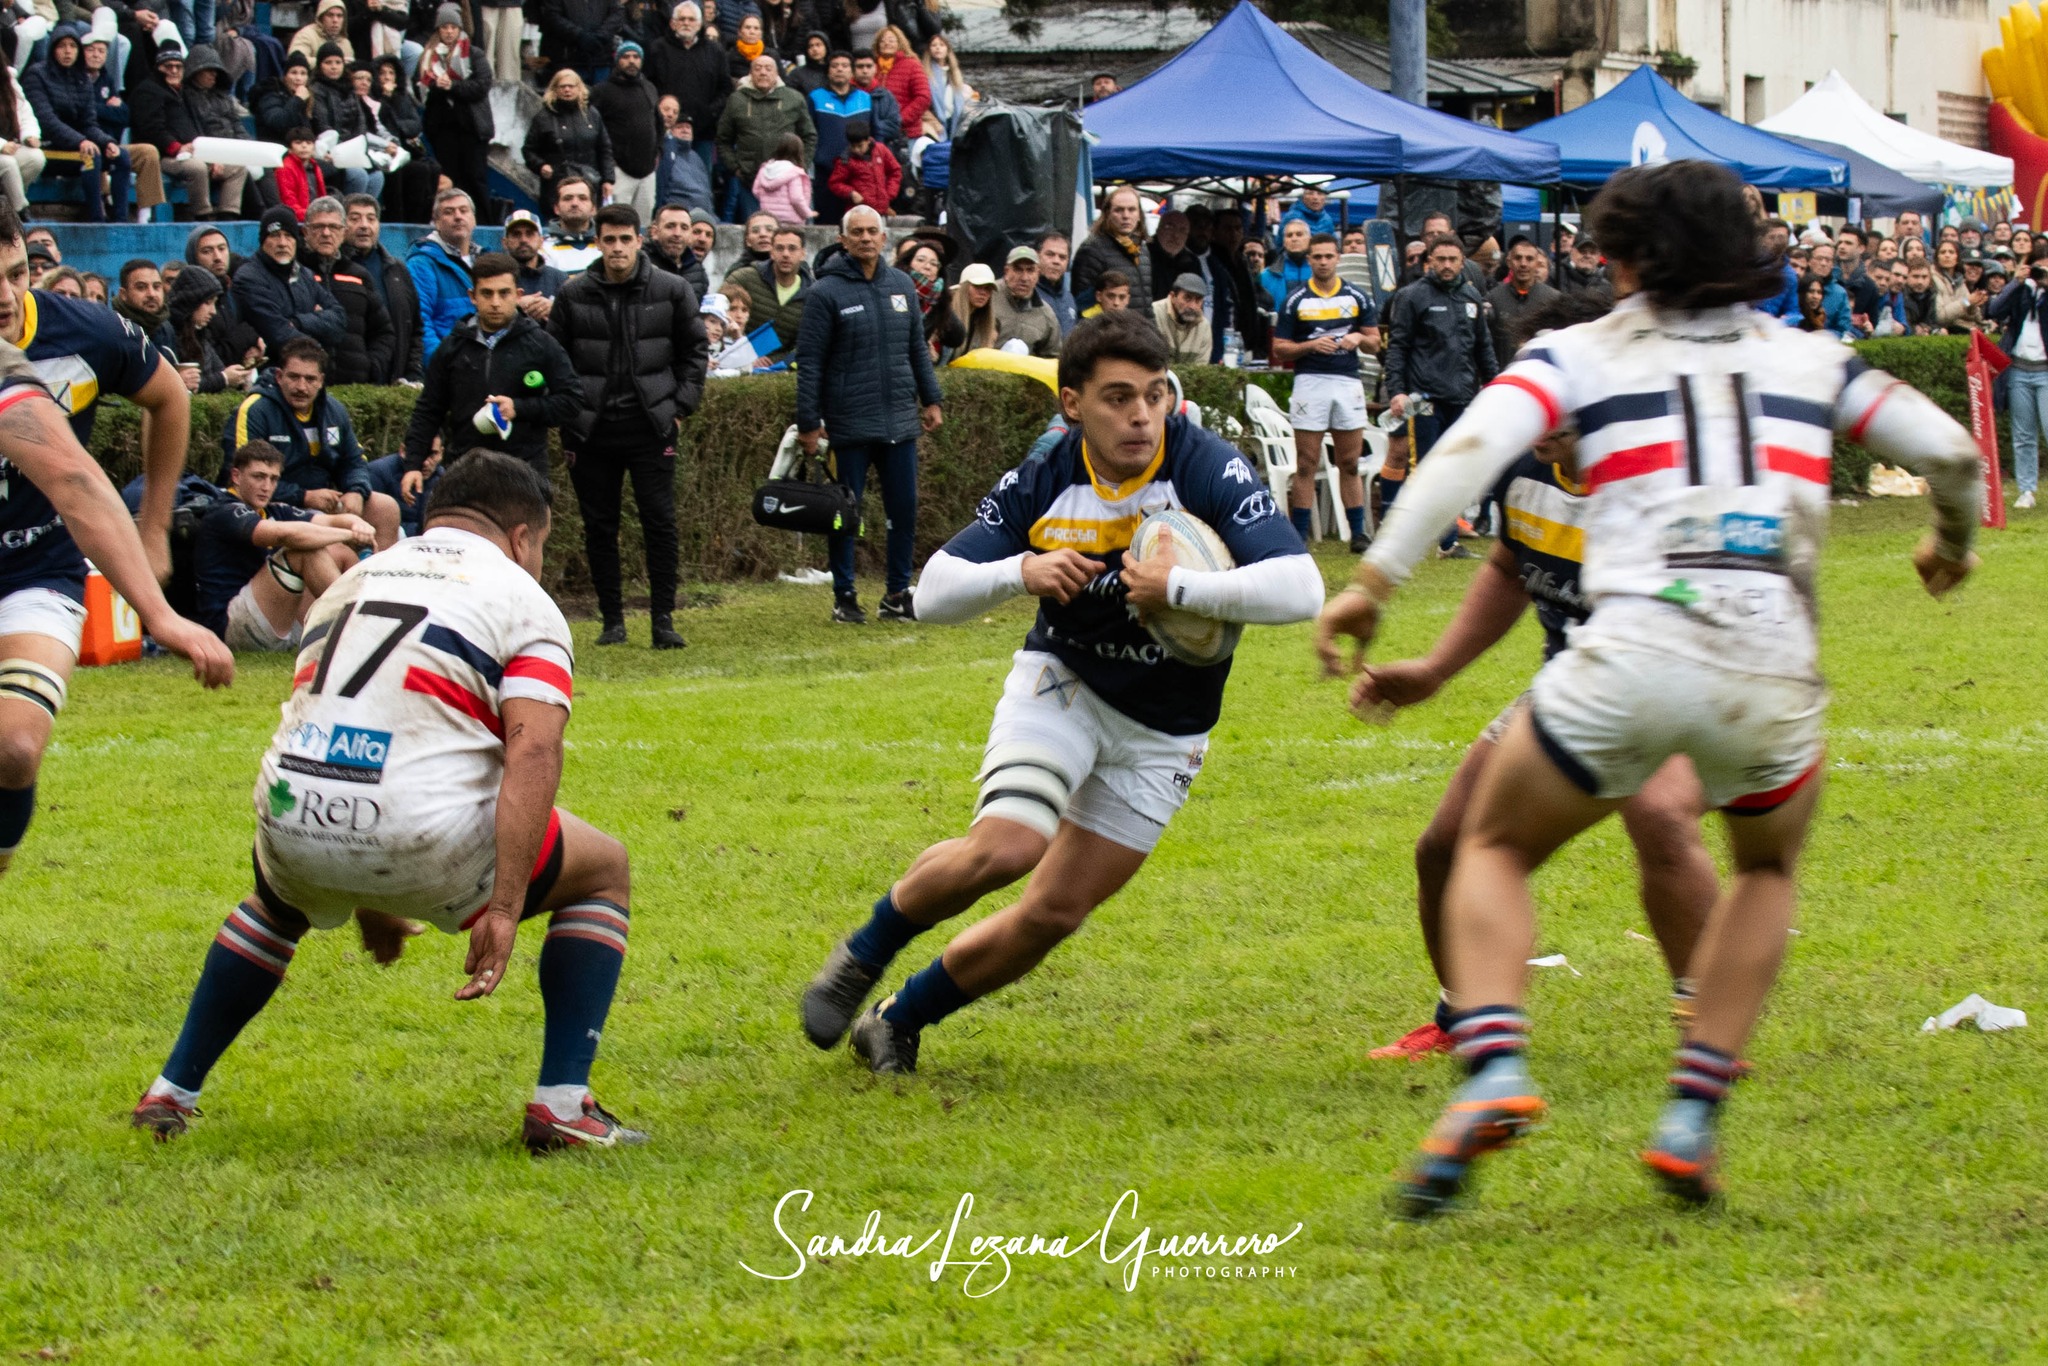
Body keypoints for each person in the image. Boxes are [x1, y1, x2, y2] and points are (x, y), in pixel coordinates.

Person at [1314, 159, 1982, 1217]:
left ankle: (1494, 1065)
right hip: (1770, 668)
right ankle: (1690, 1113)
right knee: (1765, 868)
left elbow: (1467, 451)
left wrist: (1372, 582)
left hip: (1627, 651)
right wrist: (1950, 544)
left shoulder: (1580, 351)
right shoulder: (1815, 359)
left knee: (1491, 845)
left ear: (1622, 259)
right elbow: (1951, 453)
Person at [797, 310, 1323, 1072]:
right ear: (1073, 403)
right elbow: (933, 591)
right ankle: (864, 954)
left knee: (1055, 912)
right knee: (1007, 847)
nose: (1141, 415)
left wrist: (1177, 588)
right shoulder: (1046, 475)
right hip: (1065, 684)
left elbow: (1302, 586)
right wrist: (1024, 571)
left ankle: (897, 1021)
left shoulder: (1205, 465)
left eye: (1154, 394)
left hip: (1167, 729)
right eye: (1118, 397)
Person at [132, 451, 647, 1153]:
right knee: (605, 869)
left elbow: (351, 723)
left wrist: (367, 896)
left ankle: (171, 1091)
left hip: (291, 812)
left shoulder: (355, 578)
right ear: (523, 535)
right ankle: (561, 1105)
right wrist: (503, 907)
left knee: (275, 908)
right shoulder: (523, 600)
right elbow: (534, 752)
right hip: (419, 835)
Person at [1361, 291, 1719, 1061]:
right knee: (1444, 846)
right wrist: (1434, 669)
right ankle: (1461, 1014)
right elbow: (1509, 566)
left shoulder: (1663, 478)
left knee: (1659, 815)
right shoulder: (1526, 467)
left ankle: (1711, 1023)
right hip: (1570, 684)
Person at [0, 299, 233, 877]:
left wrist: (155, 566)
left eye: (15, 272)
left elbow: (76, 477)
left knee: (15, 746)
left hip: (33, 571)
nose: (4, 295)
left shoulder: (78, 335)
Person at [548, 203, 706, 650]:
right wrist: (571, 414)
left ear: (640, 240)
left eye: (625, 239)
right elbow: (555, 359)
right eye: (609, 239)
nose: (617, 247)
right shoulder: (572, 295)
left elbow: (695, 352)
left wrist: (679, 407)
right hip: (591, 430)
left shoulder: (673, 289)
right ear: (597, 242)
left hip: (651, 425)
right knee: (599, 526)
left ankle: (663, 621)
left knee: (660, 522)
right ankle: (612, 621)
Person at [793, 204, 938, 623]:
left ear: (884, 238)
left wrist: (932, 399)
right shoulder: (825, 292)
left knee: (903, 510)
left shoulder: (902, 285)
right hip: (849, 423)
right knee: (844, 513)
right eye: (856, 232)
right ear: (842, 240)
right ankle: (845, 595)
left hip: (899, 420)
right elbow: (810, 362)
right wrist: (809, 422)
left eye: (872, 231)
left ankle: (896, 593)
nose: (865, 238)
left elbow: (916, 347)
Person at [403, 251, 585, 491]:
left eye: (504, 293)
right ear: (473, 296)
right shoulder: (452, 347)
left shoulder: (542, 344)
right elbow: (429, 409)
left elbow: (572, 401)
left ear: (518, 295)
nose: (496, 302)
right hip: (465, 470)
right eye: (487, 293)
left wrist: (518, 408)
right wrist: (413, 464)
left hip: (525, 471)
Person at [194, 438, 375, 651]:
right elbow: (284, 535)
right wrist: (347, 534)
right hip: (230, 626)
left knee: (340, 552)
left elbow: (331, 520)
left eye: (273, 479)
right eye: (258, 477)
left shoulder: (273, 509)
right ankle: (363, 631)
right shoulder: (226, 510)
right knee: (305, 552)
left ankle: (370, 622)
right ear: (236, 476)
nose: (266, 487)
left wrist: (359, 525)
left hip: (268, 616)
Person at [1381, 231, 1497, 558]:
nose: (1446, 265)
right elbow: (1398, 348)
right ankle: (1419, 537)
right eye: (1441, 259)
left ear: (1463, 262)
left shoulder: (1471, 297)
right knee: (1426, 470)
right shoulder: (1412, 296)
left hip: (1461, 396)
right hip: (1424, 398)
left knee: (1455, 470)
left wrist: (1496, 386)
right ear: (1429, 261)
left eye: (1452, 260)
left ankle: (1445, 539)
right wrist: (1397, 391)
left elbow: (1483, 348)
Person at [222, 336, 400, 548]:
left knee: (385, 508)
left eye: (310, 379)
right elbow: (242, 477)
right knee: (333, 544)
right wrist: (304, 496)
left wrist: (356, 491)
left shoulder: (334, 410)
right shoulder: (256, 410)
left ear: (321, 380)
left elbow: (353, 460)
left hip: (325, 501)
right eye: (293, 377)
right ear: (279, 376)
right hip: (275, 506)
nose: (301, 387)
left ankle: (374, 567)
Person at [1273, 233, 1377, 552]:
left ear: (1338, 258)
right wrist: (1309, 345)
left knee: (1349, 461)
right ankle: (1299, 536)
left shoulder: (1357, 296)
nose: (1323, 262)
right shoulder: (1295, 299)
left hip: (1347, 381)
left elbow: (1375, 342)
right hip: (1310, 381)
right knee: (1306, 462)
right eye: (1317, 257)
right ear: (1309, 260)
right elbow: (1279, 348)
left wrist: (1359, 338)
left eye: (1328, 256)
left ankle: (1357, 534)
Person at [23, 24, 132, 223]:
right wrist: (80, 141)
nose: (67, 51)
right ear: (53, 49)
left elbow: (88, 123)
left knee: (121, 156)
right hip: (49, 147)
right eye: (62, 46)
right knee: (91, 156)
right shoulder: (37, 75)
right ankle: (96, 220)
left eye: (72, 46)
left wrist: (107, 142)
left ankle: (121, 221)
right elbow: (47, 121)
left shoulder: (81, 78)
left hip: (77, 144)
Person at [300, 196, 397, 386]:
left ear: (344, 232)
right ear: (305, 232)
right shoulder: (294, 274)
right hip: (303, 386)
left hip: (354, 387)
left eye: (333, 227)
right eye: (318, 227)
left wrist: (371, 367)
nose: (326, 233)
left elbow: (384, 331)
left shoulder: (359, 275)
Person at [233, 204, 348, 356]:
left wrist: (298, 322)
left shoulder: (305, 274)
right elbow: (277, 332)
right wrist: (317, 351)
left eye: (288, 235)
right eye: (275, 235)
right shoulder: (249, 277)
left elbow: (339, 320)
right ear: (263, 241)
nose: (282, 243)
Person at [646, 2, 730, 197]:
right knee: (664, 184)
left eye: (691, 19)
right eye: (681, 19)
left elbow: (725, 89)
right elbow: (649, 86)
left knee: (700, 185)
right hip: (664, 132)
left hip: (703, 131)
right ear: (673, 23)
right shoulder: (657, 48)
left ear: (699, 24)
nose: (686, 23)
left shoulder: (715, 51)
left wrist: (709, 113)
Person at [339, 193, 423, 386]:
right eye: (355, 218)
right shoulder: (334, 269)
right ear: (342, 224)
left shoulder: (397, 270)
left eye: (371, 218)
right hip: (351, 383)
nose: (364, 225)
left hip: (395, 380)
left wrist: (412, 372)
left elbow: (415, 328)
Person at [417, 5, 494, 212]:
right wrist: (437, 86)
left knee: (475, 177)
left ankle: (482, 219)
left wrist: (453, 86)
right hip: (443, 128)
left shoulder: (473, 54)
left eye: (453, 27)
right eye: (444, 27)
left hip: (471, 127)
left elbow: (482, 85)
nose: (449, 32)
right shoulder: (428, 57)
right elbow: (422, 90)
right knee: (450, 178)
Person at [1990, 256, 2048, 509]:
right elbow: (1994, 310)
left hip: (2045, 371)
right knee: (2023, 434)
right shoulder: (2020, 291)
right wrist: (2015, 282)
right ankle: (2026, 490)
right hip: (2018, 370)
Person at [721, 55, 814, 208]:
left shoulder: (794, 98)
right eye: (757, 69)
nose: (763, 72)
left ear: (777, 74)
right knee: (754, 222)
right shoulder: (736, 100)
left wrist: (801, 166)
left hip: (787, 180)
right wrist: (736, 168)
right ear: (750, 74)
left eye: (768, 69)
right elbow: (723, 139)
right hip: (749, 180)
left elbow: (809, 136)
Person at [526, 69, 615, 218]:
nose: (567, 90)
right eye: (562, 86)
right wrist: (540, 166)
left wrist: (608, 180)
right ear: (554, 89)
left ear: (579, 88)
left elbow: (604, 149)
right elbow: (528, 150)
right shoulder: (543, 117)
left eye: (571, 86)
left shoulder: (592, 114)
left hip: (589, 182)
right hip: (557, 183)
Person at [591, 39, 662, 221]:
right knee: (616, 220)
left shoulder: (649, 88)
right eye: (626, 56)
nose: (631, 61)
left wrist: (658, 151)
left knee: (643, 223)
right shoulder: (602, 91)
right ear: (617, 60)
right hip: (618, 170)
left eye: (636, 57)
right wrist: (608, 165)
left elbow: (658, 123)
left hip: (647, 170)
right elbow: (594, 129)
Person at [721, 223, 809, 359]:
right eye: (779, 248)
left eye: (792, 248)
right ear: (771, 252)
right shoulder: (744, 278)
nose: (786, 254)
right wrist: (748, 354)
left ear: (803, 254)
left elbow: (808, 342)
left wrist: (775, 361)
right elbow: (716, 314)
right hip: (734, 357)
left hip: (781, 366)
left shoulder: (812, 293)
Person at [409, 187, 478, 360]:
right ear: (436, 222)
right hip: (449, 363)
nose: (458, 216)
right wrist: (442, 365)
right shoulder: (421, 263)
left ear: (474, 219)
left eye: (463, 210)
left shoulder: (487, 260)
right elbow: (421, 323)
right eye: (449, 212)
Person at [169, 264, 255, 393]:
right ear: (191, 301)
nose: (213, 311)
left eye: (215, 303)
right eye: (208, 303)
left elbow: (218, 370)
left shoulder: (200, 334)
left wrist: (239, 375)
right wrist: (224, 378)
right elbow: (191, 385)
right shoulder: (169, 335)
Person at [806, 49, 869, 223]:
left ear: (852, 71)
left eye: (844, 66)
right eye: (834, 66)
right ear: (828, 71)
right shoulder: (815, 97)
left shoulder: (864, 98)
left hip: (859, 172)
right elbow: (808, 132)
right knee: (827, 224)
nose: (839, 69)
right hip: (826, 171)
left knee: (858, 222)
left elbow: (874, 133)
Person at [1070, 184, 1151, 315]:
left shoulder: (1142, 249)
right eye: (1119, 210)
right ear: (1107, 214)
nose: (1126, 215)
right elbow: (1084, 306)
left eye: (1131, 210)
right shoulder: (1092, 249)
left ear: (1139, 215)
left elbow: (1146, 304)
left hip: (1140, 327)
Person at [1486, 236, 1559, 363]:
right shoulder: (1494, 298)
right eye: (1518, 258)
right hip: (1504, 371)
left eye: (1529, 259)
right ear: (1509, 262)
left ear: (1537, 264)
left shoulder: (1553, 300)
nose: (1523, 264)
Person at [991, 245, 1060, 359]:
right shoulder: (988, 296)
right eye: (1018, 269)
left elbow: (1052, 358)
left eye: (1030, 270)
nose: (1024, 278)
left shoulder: (1046, 315)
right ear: (1006, 271)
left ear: (1038, 274)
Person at [502, 209, 569, 320]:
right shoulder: (495, 277)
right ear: (505, 242)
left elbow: (575, 317)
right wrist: (514, 306)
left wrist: (555, 308)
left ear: (541, 241)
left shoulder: (559, 278)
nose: (523, 240)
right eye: (516, 234)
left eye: (529, 234)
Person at [537, 0, 626, 82]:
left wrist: (602, 35)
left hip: (601, 58)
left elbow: (617, 13)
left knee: (601, 92)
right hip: (569, 59)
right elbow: (552, 16)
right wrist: (579, 35)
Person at [825, 114, 896, 216]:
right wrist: (850, 193)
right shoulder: (845, 160)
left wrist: (889, 194)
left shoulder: (881, 150)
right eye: (853, 146)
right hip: (858, 211)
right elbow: (835, 183)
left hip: (882, 210)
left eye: (860, 146)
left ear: (868, 141)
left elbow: (895, 171)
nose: (856, 150)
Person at [0, 59, 45, 217]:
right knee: (7, 163)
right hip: (3, 152)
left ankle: (6, 204)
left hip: (8, 149)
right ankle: (20, 211)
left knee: (35, 158)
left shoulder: (8, 81)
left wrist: (29, 135)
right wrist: (2, 145)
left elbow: (25, 113)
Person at [654, 103, 716, 214]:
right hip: (678, 213)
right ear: (671, 131)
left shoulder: (697, 158)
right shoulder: (665, 154)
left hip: (705, 215)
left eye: (688, 127)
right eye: (680, 127)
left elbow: (707, 192)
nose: (685, 130)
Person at [114, 258, 177, 357]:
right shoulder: (114, 330)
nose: (151, 294)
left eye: (156, 286)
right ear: (123, 294)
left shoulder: (165, 329)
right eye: (141, 287)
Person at [646, 200, 712, 296]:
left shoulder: (698, 271)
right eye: (670, 226)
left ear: (690, 234)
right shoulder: (641, 264)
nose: (677, 233)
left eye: (684, 228)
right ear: (655, 232)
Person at [543, 175, 603, 272]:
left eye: (582, 198)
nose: (575, 203)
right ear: (556, 208)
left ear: (593, 209)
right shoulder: (542, 246)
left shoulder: (607, 243)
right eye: (567, 198)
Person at [1150, 271, 1211, 365]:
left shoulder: (1204, 326)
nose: (1192, 306)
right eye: (1187, 298)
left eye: (1198, 300)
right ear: (1173, 297)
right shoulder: (1154, 313)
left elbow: (1201, 369)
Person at [752, 130, 812, 223]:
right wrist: (807, 213)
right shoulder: (794, 172)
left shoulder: (765, 169)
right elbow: (796, 199)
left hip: (769, 219)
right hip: (791, 221)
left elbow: (755, 191)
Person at [922, 30, 973, 138]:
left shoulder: (953, 73)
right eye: (934, 45)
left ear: (947, 49)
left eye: (941, 45)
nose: (938, 48)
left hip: (953, 119)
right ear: (929, 50)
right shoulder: (924, 73)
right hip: (935, 121)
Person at [1259, 218, 1311, 311]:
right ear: (1284, 242)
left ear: (1309, 239)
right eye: (1289, 235)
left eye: (1299, 234)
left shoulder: (1321, 272)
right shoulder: (1266, 276)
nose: (1294, 239)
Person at [1035, 232, 1077, 335]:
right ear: (1037, 256)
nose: (1056, 261)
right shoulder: (1027, 294)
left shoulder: (1069, 299)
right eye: (1050, 254)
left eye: (1062, 257)